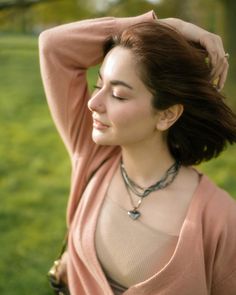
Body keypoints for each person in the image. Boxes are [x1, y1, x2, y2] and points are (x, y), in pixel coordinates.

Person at [39, 11, 236, 295]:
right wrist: (166, 26)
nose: (94, 102)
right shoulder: (93, 158)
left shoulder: (221, 220)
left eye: (118, 95)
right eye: (98, 85)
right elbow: (53, 45)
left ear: (167, 114)